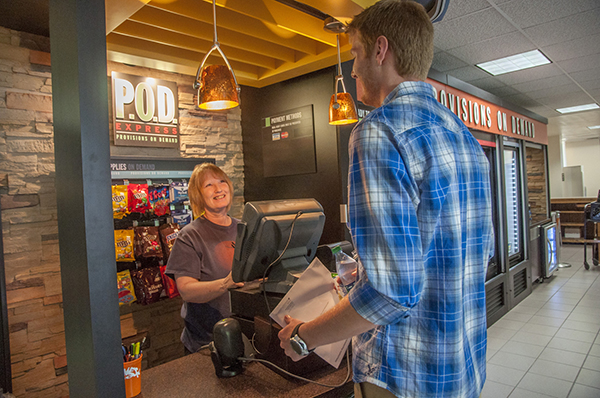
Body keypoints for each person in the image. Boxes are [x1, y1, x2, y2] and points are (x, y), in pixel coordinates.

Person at [278, 1, 494, 397]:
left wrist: (304, 336)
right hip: (461, 367)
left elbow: (390, 293)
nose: (353, 68)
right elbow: (474, 253)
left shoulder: (378, 131)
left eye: (356, 53)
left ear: (380, 50)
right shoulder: (464, 138)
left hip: (404, 376)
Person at [166, 163, 244, 354]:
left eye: (222, 181)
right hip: (208, 344)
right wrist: (225, 284)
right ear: (198, 195)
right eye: (209, 185)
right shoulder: (189, 236)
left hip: (245, 335)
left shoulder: (245, 228)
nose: (218, 189)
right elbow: (187, 291)